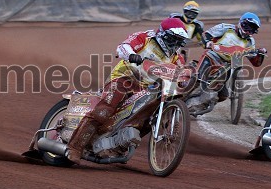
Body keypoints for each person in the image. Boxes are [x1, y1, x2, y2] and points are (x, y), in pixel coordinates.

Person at [65, 18, 189, 164]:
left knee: (147, 120)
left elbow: (181, 75)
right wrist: (131, 54)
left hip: (147, 89)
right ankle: (74, 147)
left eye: (179, 41)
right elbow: (122, 47)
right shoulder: (145, 38)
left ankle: (117, 145)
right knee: (104, 110)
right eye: (173, 39)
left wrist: (188, 79)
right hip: (125, 78)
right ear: (163, 34)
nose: (175, 44)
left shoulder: (177, 57)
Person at [199, 12, 267, 102]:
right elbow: (206, 34)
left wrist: (260, 54)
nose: (248, 31)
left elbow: (255, 62)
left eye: (252, 29)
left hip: (227, 66)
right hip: (212, 57)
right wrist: (208, 42)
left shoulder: (250, 41)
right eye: (247, 26)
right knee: (198, 78)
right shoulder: (226, 28)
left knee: (223, 96)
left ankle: (204, 103)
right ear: (241, 23)